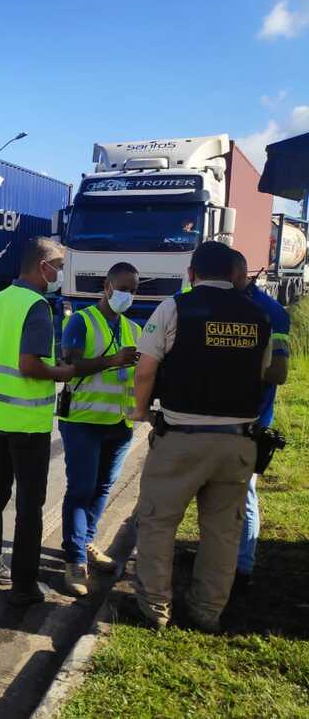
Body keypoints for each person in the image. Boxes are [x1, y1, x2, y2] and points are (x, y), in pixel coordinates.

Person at [129, 241, 270, 632]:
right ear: (233, 275)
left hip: (182, 438)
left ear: (192, 273)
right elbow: (266, 373)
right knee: (223, 532)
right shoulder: (259, 316)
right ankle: (207, 611)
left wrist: (140, 411)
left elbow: (145, 369)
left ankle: (155, 608)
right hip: (238, 442)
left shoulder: (175, 307)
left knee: (158, 524)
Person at [0, 236, 76, 606]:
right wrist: (63, 372)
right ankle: (25, 584)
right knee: (30, 505)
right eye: (59, 267)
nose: (60, 274)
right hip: (25, 421)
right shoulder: (36, 307)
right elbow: (30, 365)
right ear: (42, 266)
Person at [58, 262, 142, 596]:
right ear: (107, 286)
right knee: (81, 490)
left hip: (119, 423)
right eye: (124, 288)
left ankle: (88, 542)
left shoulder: (134, 329)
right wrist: (113, 361)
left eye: (134, 290)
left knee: (103, 487)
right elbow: (68, 367)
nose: (128, 295)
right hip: (83, 421)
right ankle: (75, 560)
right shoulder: (81, 321)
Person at [231, 251, 290, 591]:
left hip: (252, 420)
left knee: (244, 493)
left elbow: (279, 374)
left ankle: (243, 567)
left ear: (240, 274)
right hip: (224, 420)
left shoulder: (271, 314)